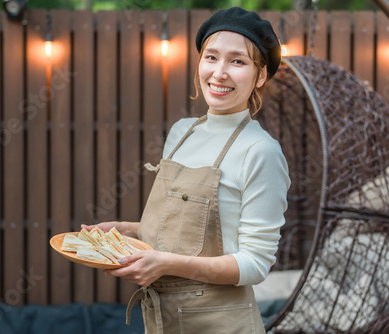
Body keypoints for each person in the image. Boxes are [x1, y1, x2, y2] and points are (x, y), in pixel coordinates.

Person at [82, 7, 290, 334]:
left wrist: (166, 264)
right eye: (211, 57)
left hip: (222, 323)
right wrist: (130, 230)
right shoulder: (182, 133)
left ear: (260, 76)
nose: (219, 73)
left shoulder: (261, 151)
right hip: (162, 320)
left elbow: (254, 264)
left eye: (237, 61)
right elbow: (189, 227)